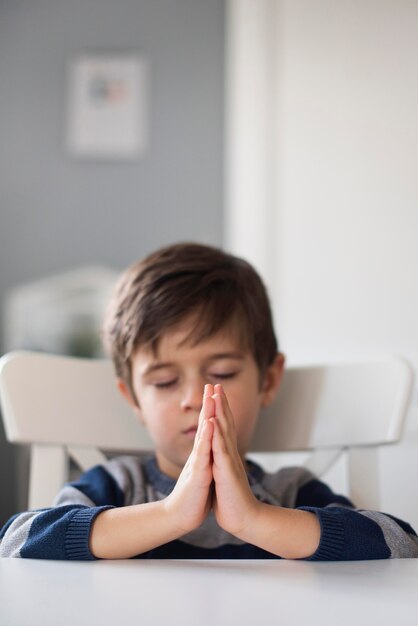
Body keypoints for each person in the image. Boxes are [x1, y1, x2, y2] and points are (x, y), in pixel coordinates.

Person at [1, 242, 418, 560]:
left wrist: (256, 519)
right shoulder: (118, 486)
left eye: (220, 375)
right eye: (164, 381)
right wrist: (170, 515)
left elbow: (403, 546)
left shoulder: (289, 492)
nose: (194, 400)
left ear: (268, 380)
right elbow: (16, 541)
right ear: (133, 398)